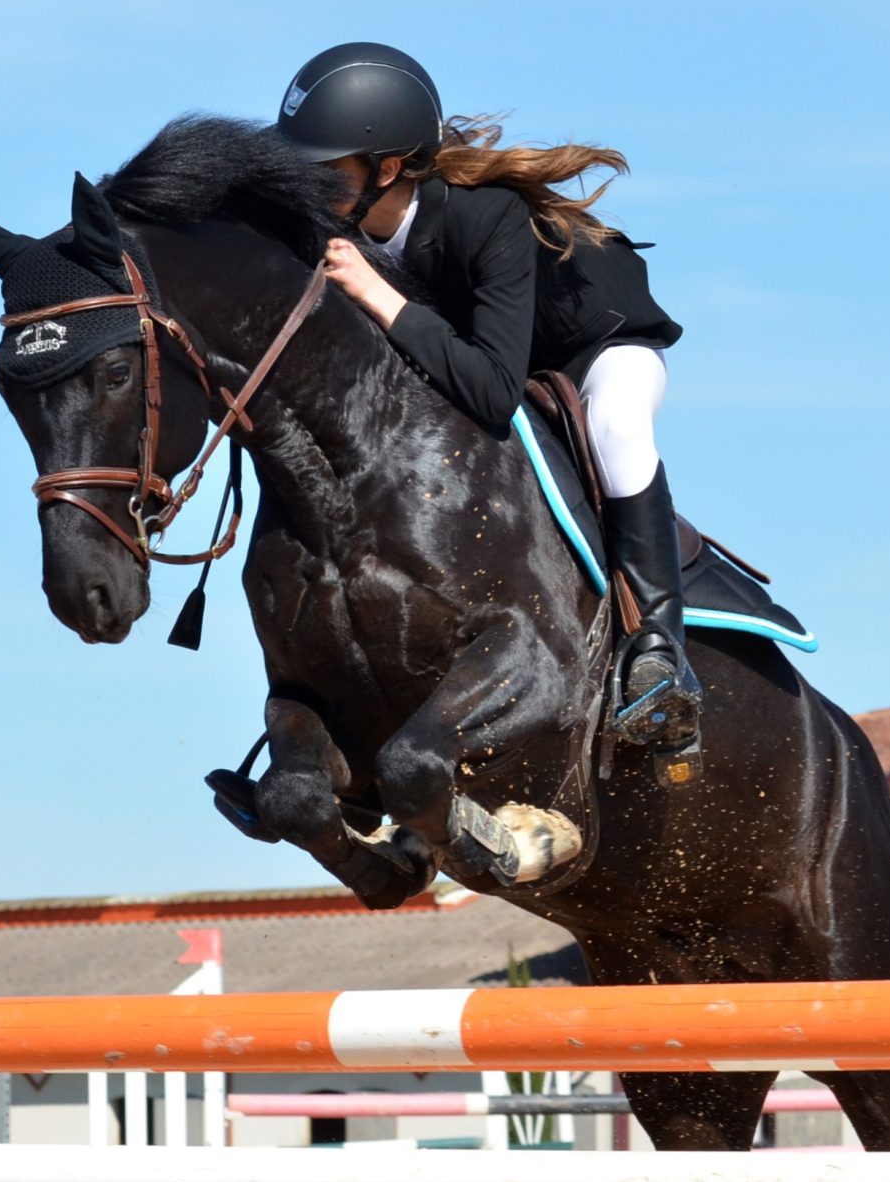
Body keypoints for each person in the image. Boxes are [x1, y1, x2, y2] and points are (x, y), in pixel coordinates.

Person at [276, 42, 697, 748]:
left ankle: (658, 651)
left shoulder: (486, 214)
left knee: (618, 428)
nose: (309, 187)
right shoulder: (350, 227)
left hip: (595, 349)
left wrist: (377, 294)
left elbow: (495, 392)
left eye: (326, 171)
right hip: (493, 352)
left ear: (387, 168)